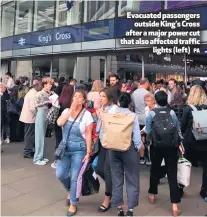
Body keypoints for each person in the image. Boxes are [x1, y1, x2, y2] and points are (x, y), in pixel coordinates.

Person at [56, 89, 93, 216]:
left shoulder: (87, 115)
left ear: (84, 101)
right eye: (75, 96)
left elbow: (88, 135)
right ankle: (70, 189)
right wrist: (70, 110)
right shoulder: (66, 111)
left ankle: (73, 203)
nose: (76, 99)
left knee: (75, 176)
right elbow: (59, 122)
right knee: (60, 173)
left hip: (79, 149)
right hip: (65, 147)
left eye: (79, 97)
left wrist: (88, 152)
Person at [145, 91, 182, 216]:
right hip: (171, 146)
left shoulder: (151, 113)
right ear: (166, 100)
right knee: (172, 172)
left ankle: (152, 193)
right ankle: (175, 205)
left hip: (156, 146)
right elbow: (177, 128)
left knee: (154, 169)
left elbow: (148, 130)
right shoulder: (171, 112)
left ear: (155, 100)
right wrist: (180, 143)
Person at [109, 92, 142, 217]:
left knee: (116, 179)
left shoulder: (111, 114)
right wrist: (139, 148)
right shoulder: (132, 116)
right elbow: (137, 136)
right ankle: (131, 209)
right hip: (129, 149)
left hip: (113, 148)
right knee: (132, 179)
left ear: (118, 102)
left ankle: (119, 207)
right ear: (129, 104)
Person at [181, 85, 207, 202]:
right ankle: (204, 190)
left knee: (183, 165)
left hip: (190, 142)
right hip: (205, 142)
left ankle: (180, 189)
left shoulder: (188, 108)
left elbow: (182, 126)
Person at [96, 87, 118, 213]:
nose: (101, 98)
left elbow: (112, 126)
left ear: (109, 97)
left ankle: (107, 198)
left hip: (111, 143)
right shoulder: (103, 109)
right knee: (99, 168)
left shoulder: (114, 109)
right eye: (100, 96)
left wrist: (102, 116)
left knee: (107, 170)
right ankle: (114, 185)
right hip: (101, 141)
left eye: (103, 96)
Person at [51, 78, 76, 169]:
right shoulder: (72, 105)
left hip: (59, 124)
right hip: (69, 126)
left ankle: (58, 160)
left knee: (59, 141)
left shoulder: (59, 101)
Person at [33, 77, 54, 166]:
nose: (50, 85)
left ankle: (40, 156)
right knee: (39, 136)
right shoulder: (39, 94)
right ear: (44, 84)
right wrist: (45, 102)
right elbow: (35, 105)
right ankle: (37, 158)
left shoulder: (48, 93)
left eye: (51, 84)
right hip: (41, 113)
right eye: (49, 84)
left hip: (46, 113)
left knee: (42, 136)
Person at [19, 79, 42, 158]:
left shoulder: (32, 93)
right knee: (29, 135)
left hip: (28, 117)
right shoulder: (33, 95)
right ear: (37, 85)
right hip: (30, 118)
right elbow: (32, 108)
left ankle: (29, 151)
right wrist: (38, 114)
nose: (41, 86)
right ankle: (27, 152)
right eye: (40, 85)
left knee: (29, 134)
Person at [131, 78, 150, 164]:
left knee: (139, 136)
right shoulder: (147, 93)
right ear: (146, 83)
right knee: (148, 138)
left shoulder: (134, 93)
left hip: (137, 117)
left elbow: (132, 105)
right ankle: (148, 157)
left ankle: (141, 157)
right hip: (146, 117)